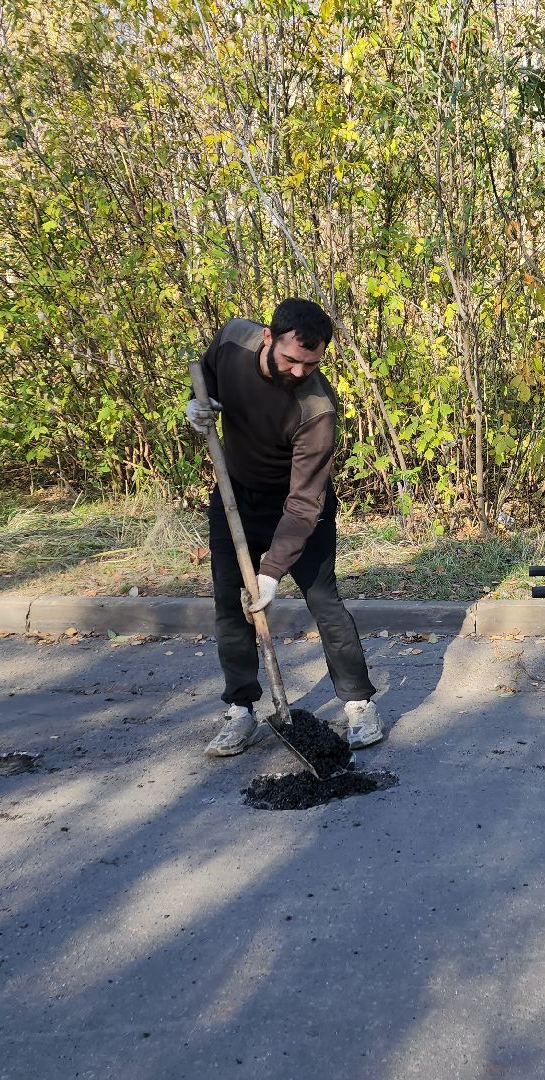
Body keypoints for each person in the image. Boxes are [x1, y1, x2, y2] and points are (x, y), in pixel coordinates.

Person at [184, 298, 383, 756]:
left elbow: (303, 503)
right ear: (268, 338)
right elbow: (206, 373)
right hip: (235, 497)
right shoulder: (234, 338)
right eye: (291, 359)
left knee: (323, 600)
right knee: (230, 606)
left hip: (296, 508)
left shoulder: (316, 408)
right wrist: (198, 405)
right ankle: (241, 710)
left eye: (310, 364)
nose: (298, 372)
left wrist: (272, 572)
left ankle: (358, 702)